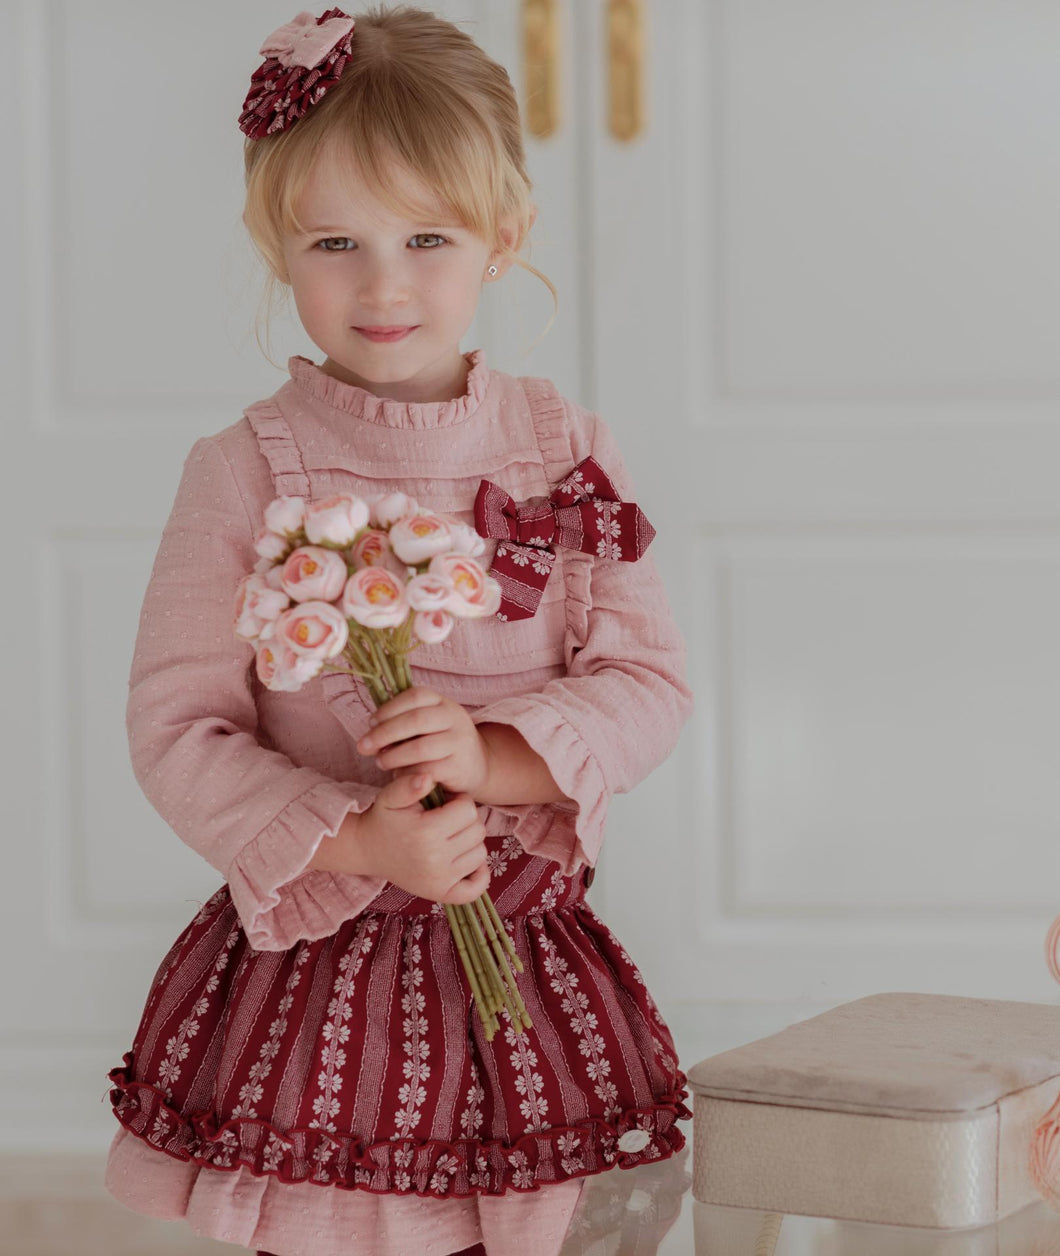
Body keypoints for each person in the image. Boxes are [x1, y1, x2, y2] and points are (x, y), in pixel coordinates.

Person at [102, 6, 694, 1255]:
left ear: (504, 234)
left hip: (517, 951)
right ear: (277, 249)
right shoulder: (245, 469)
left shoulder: (561, 449)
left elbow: (643, 678)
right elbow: (177, 724)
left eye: (428, 236)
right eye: (335, 240)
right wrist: (361, 833)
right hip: (319, 969)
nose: (383, 283)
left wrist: (493, 755)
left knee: (526, 1219)